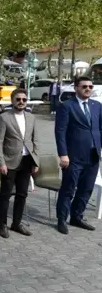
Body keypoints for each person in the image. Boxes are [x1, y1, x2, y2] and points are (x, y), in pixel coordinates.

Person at [55, 75, 102, 235]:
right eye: (84, 86)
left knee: (86, 188)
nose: (88, 89)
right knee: (68, 189)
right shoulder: (67, 106)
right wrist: (63, 154)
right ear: (76, 88)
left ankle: (77, 217)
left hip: (93, 155)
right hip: (73, 157)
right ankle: (61, 220)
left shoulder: (97, 106)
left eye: (90, 86)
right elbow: (60, 132)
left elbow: (100, 129)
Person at [0, 89, 39, 238]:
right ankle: (2, 225)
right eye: (18, 99)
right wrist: (1, 162)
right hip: (9, 161)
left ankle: (16, 223)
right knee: (5, 195)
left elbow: (35, 140)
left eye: (24, 100)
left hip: (26, 161)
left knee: (22, 194)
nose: (21, 102)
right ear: (12, 100)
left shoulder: (31, 117)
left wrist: (36, 160)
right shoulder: (4, 118)